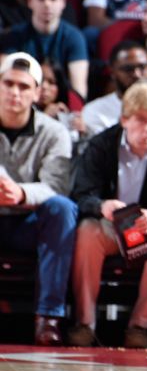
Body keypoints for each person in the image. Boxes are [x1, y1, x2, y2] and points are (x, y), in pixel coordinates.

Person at [69, 81, 147, 349]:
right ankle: (85, 323)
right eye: (142, 120)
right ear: (125, 119)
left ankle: (140, 326)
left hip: (145, 227)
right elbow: (80, 195)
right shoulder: (101, 145)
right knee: (87, 231)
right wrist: (102, 206)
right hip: (108, 225)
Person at [0, 52, 77, 346]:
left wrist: (20, 193)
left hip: (27, 221)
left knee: (62, 209)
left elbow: (56, 186)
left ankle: (49, 318)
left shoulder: (55, 131)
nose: (14, 92)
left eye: (23, 86)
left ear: (36, 93)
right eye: (8, 83)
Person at [0, 0, 88, 100]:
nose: (47, 4)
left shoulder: (75, 38)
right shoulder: (14, 36)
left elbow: (79, 93)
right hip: (22, 100)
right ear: (30, 1)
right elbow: (4, 81)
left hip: (61, 108)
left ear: (63, 1)